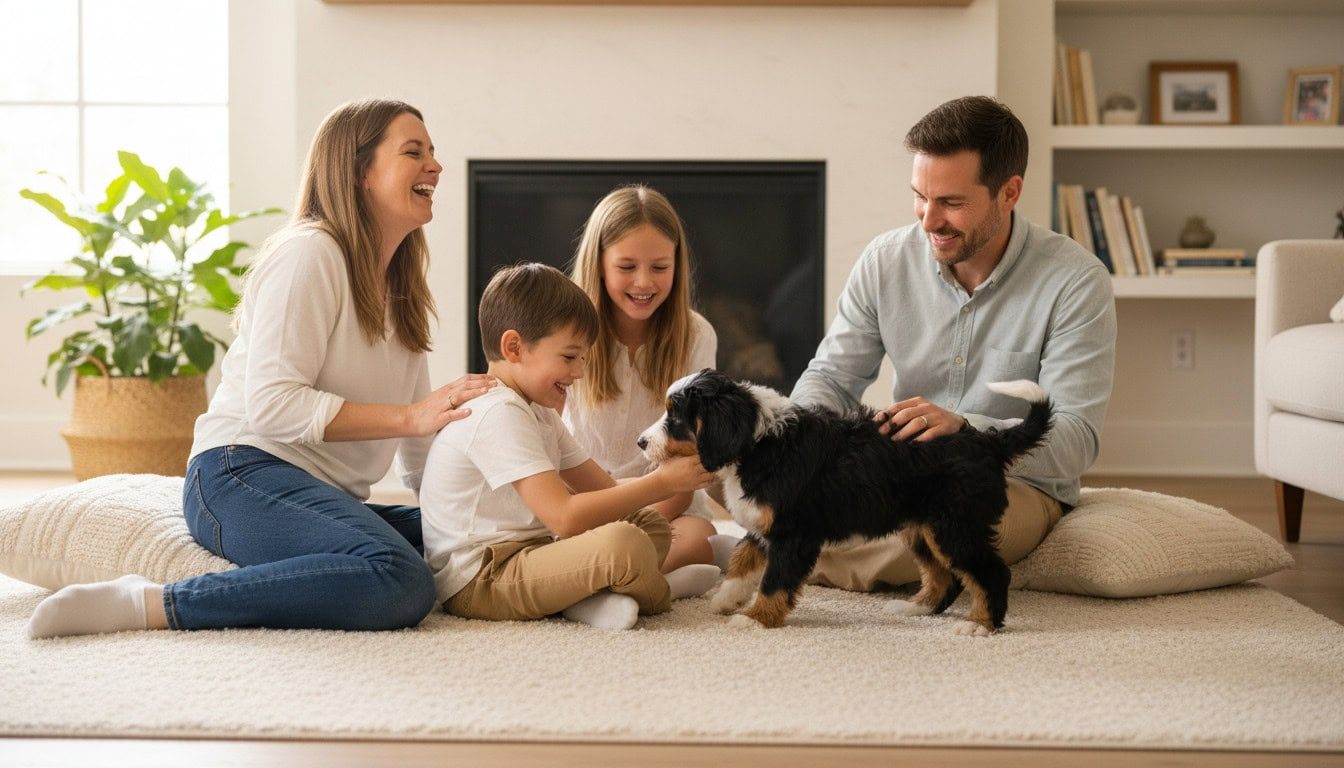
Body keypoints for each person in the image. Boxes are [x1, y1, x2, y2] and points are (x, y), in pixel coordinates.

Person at [28, 99, 496, 638]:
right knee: (400, 580)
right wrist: (413, 416)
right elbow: (274, 406)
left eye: (432, 152)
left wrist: (481, 506)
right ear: (359, 171)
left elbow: (419, 455)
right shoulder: (309, 254)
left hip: (322, 497)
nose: (435, 165)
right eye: (414, 152)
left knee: (482, 536)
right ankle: (153, 603)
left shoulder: (402, 289)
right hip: (237, 475)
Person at [790, 95, 1117, 592]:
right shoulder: (885, 260)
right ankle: (798, 537)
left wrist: (967, 430)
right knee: (744, 477)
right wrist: (791, 445)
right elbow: (831, 378)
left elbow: (1075, 441)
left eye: (952, 203)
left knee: (929, 537)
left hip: (1010, 485)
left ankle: (779, 550)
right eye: (920, 196)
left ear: (1009, 193)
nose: (928, 219)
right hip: (900, 472)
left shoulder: (1075, 281)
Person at [421, 263, 722, 631]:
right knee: (625, 544)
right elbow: (565, 517)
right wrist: (661, 482)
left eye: (583, 358)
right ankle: (665, 590)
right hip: (482, 578)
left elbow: (604, 489)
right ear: (514, 347)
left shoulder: (538, 411)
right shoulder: (497, 412)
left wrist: (666, 483)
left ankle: (586, 600)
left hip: (533, 551)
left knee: (648, 524)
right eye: (568, 357)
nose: (579, 372)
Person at [564, 185, 730, 572]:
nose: (643, 283)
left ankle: (614, 574)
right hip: (584, 503)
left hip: (666, 505)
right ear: (598, 264)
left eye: (659, 267)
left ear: (677, 264)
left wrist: (635, 528)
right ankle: (636, 576)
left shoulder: (696, 336)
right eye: (626, 267)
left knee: (698, 538)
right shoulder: (566, 332)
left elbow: (688, 467)